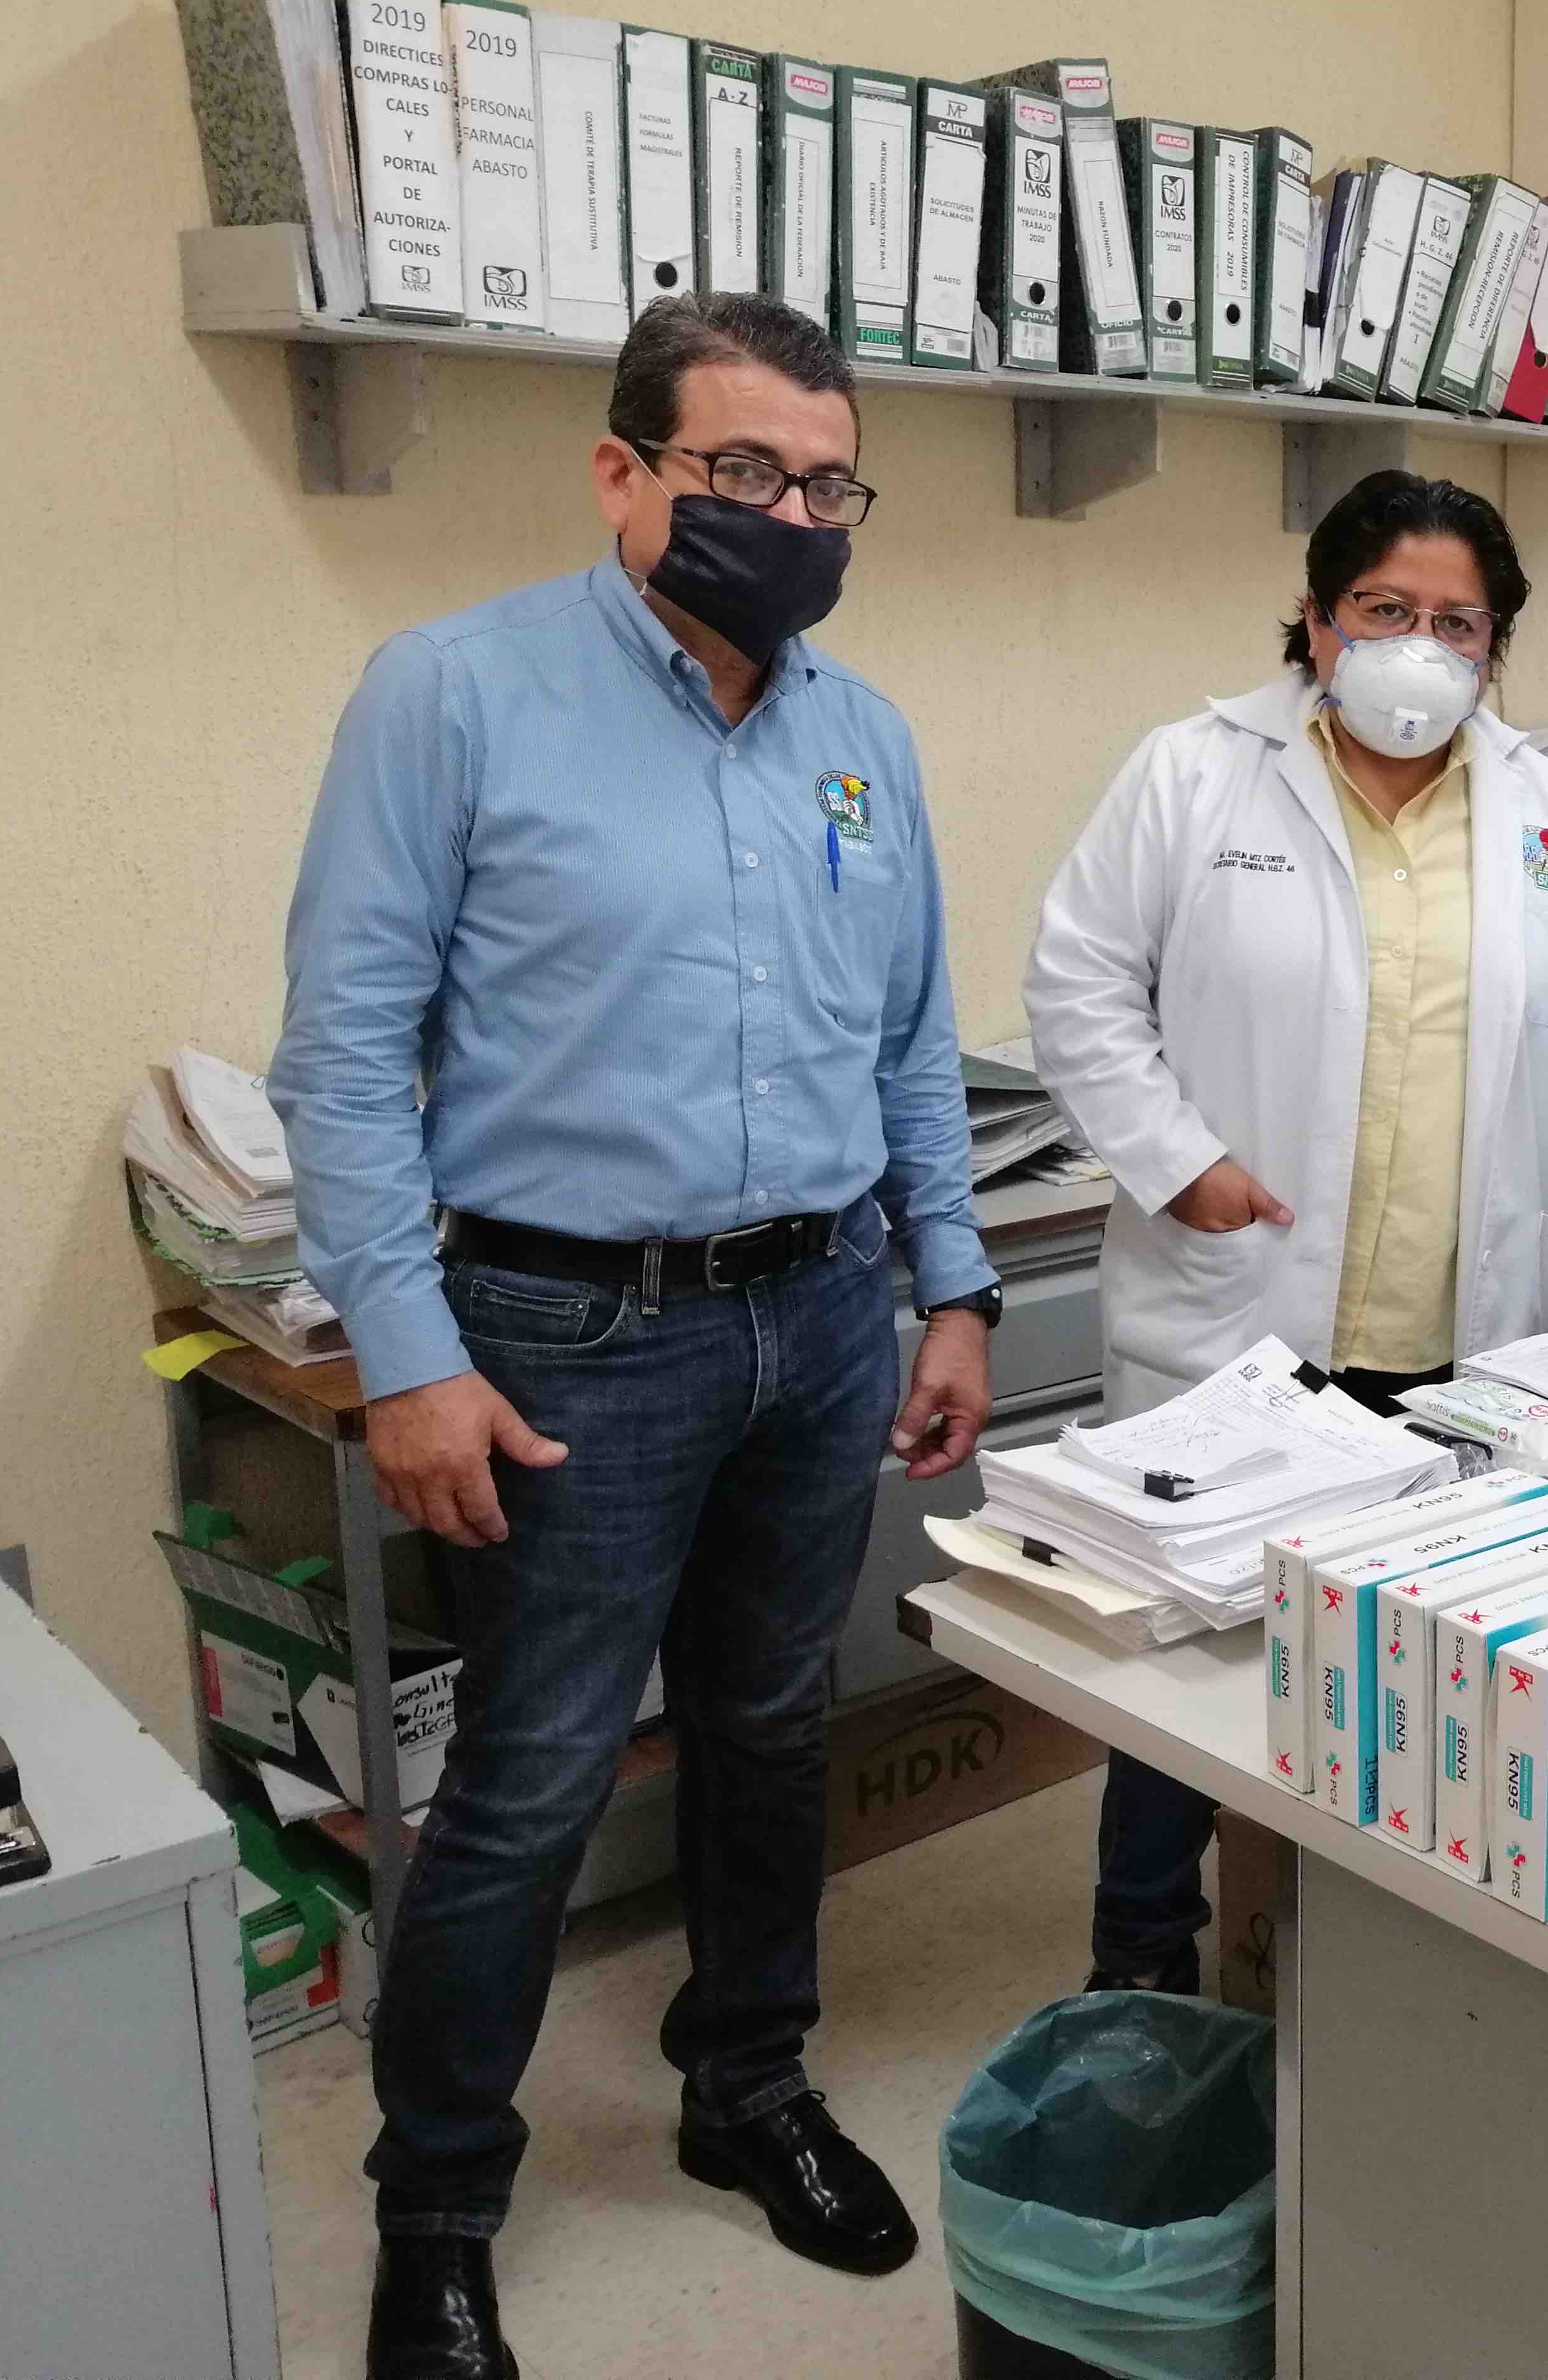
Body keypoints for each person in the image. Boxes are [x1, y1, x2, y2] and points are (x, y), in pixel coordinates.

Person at [269, 293, 1003, 2380]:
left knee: (774, 1726)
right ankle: (438, 2205)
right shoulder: (454, 695)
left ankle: (746, 2084)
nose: (794, 515)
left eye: (830, 484)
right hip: (567, 1332)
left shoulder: (862, 737)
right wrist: (408, 1352)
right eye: (744, 471)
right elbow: (341, 1059)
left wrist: (951, 1284)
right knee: (533, 1781)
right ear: (624, 472)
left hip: (821, 1309)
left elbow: (910, 1045)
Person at [1024, 468, 1548, 1991]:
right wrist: (1178, 1161)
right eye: (1383, 610)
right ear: (1315, 620)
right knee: (1185, 1671)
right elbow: (1078, 985)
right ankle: (1140, 1971)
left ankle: (1360, 1985)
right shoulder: (1194, 774)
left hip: (1456, 1334)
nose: (1418, 647)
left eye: (1457, 623)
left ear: (1494, 646)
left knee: (1420, 1684)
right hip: (1238, 1316)